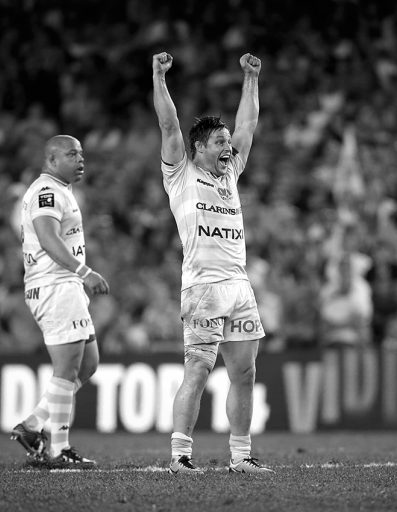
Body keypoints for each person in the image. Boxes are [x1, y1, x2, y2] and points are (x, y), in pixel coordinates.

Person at [152, 51, 273, 475]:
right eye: (220, 142)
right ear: (199, 147)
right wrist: (160, 76)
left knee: (244, 372)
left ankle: (241, 456)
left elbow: (248, 124)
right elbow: (169, 124)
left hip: (239, 288)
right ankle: (180, 456)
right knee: (199, 369)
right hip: (202, 288)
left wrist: (251, 79)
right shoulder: (180, 174)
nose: (229, 146)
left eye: (228, 143)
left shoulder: (230, 173)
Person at [10, 134, 110, 467]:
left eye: (82, 154)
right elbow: (49, 239)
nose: (80, 159)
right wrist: (85, 272)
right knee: (67, 368)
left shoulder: (61, 191)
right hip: (55, 285)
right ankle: (59, 448)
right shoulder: (47, 191)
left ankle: (33, 425)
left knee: (88, 363)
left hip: (64, 285)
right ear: (52, 160)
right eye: (71, 154)